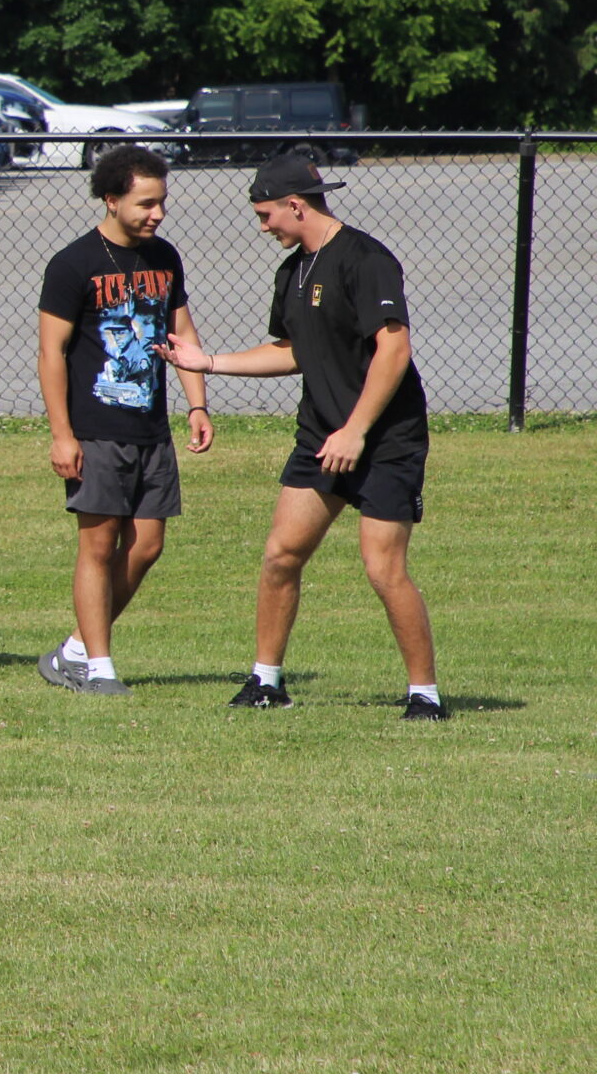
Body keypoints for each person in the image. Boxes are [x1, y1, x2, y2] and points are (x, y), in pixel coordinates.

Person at [154, 149, 445, 719]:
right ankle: (266, 681)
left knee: (383, 569)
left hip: (384, 439)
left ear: (295, 205)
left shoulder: (365, 259)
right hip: (321, 435)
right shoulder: (295, 269)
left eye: (266, 216)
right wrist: (207, 361)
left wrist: (357, 431)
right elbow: (289, 351)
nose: (263, 227)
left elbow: (395, 348)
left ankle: (425, 695)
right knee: (281, 555)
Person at [34, 146, 214, 695]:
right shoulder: (72, 265)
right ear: (111, 200)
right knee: (97, 544)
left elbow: (181, 336)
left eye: (161, 202)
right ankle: (99, 667)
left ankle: (72, 649)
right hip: (95, 428)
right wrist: (62, 434)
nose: (157, 213)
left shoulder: (165, 258)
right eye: (146, 203)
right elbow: (50, 355)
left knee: (147, 545)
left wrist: (197, 402)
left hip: (150, 429)